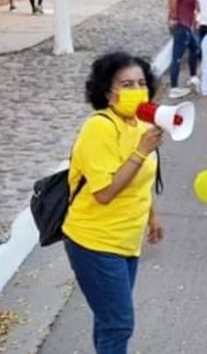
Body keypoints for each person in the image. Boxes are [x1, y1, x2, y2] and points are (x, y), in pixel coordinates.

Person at [63, 52, 164, 354]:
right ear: (108, 92)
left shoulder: (140, 125)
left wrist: (152, 217)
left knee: (109, 320)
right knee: (119, 324)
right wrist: (140, 152)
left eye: (141, 83)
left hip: (126, 241)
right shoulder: (100, 127)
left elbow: (141, 180)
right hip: (94, 242)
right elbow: (104, 193)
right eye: (126, 84)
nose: (136, 89)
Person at [166, 0, 201, 99]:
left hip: (186, 25)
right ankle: (174, 88)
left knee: (195, 48)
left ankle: (193, 76)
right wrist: (174, 17)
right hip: (181, 25)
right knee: (177, 57)